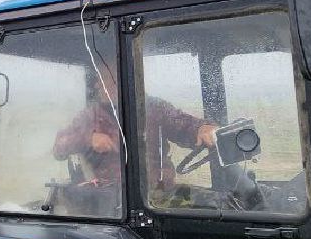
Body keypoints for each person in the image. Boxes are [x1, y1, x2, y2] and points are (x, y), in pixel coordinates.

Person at [52, 66, 216, 191]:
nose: (97, 85)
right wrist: (88, 138)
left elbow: (183, 124)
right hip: (104, 199)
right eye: (97, 79)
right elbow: (59, 147)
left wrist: (201, 128)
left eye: (105, 79)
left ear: (124, 79)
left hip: (155, 196)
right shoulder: (89, 116)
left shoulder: (155, 108)